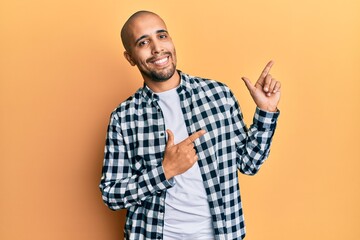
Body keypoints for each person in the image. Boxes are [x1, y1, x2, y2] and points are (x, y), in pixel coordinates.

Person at [99, 10, 281, 240]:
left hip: (221, 234)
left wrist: (266, 111)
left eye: (162, 36)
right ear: (130, 57)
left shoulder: (218, 95)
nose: (157, 48)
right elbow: (111, 194)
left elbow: (249, 163)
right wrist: (166, 171)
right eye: (143, 42)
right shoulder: (124, 117)